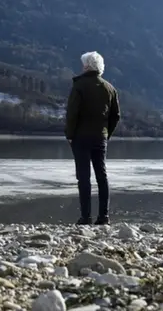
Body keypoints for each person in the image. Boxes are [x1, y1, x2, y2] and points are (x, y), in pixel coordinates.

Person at [65, 51, 120, 225]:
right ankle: (104, 216)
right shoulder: (110, 88)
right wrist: (106, 134)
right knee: (101, 176)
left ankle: (86, 217)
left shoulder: (79, 86)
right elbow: (116, 116)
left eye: (83, 64)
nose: (82, 67)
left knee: (84, 177)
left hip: (81, 137)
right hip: (100, 138)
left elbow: (72, 113)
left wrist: (70, 135)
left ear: (87, 66)